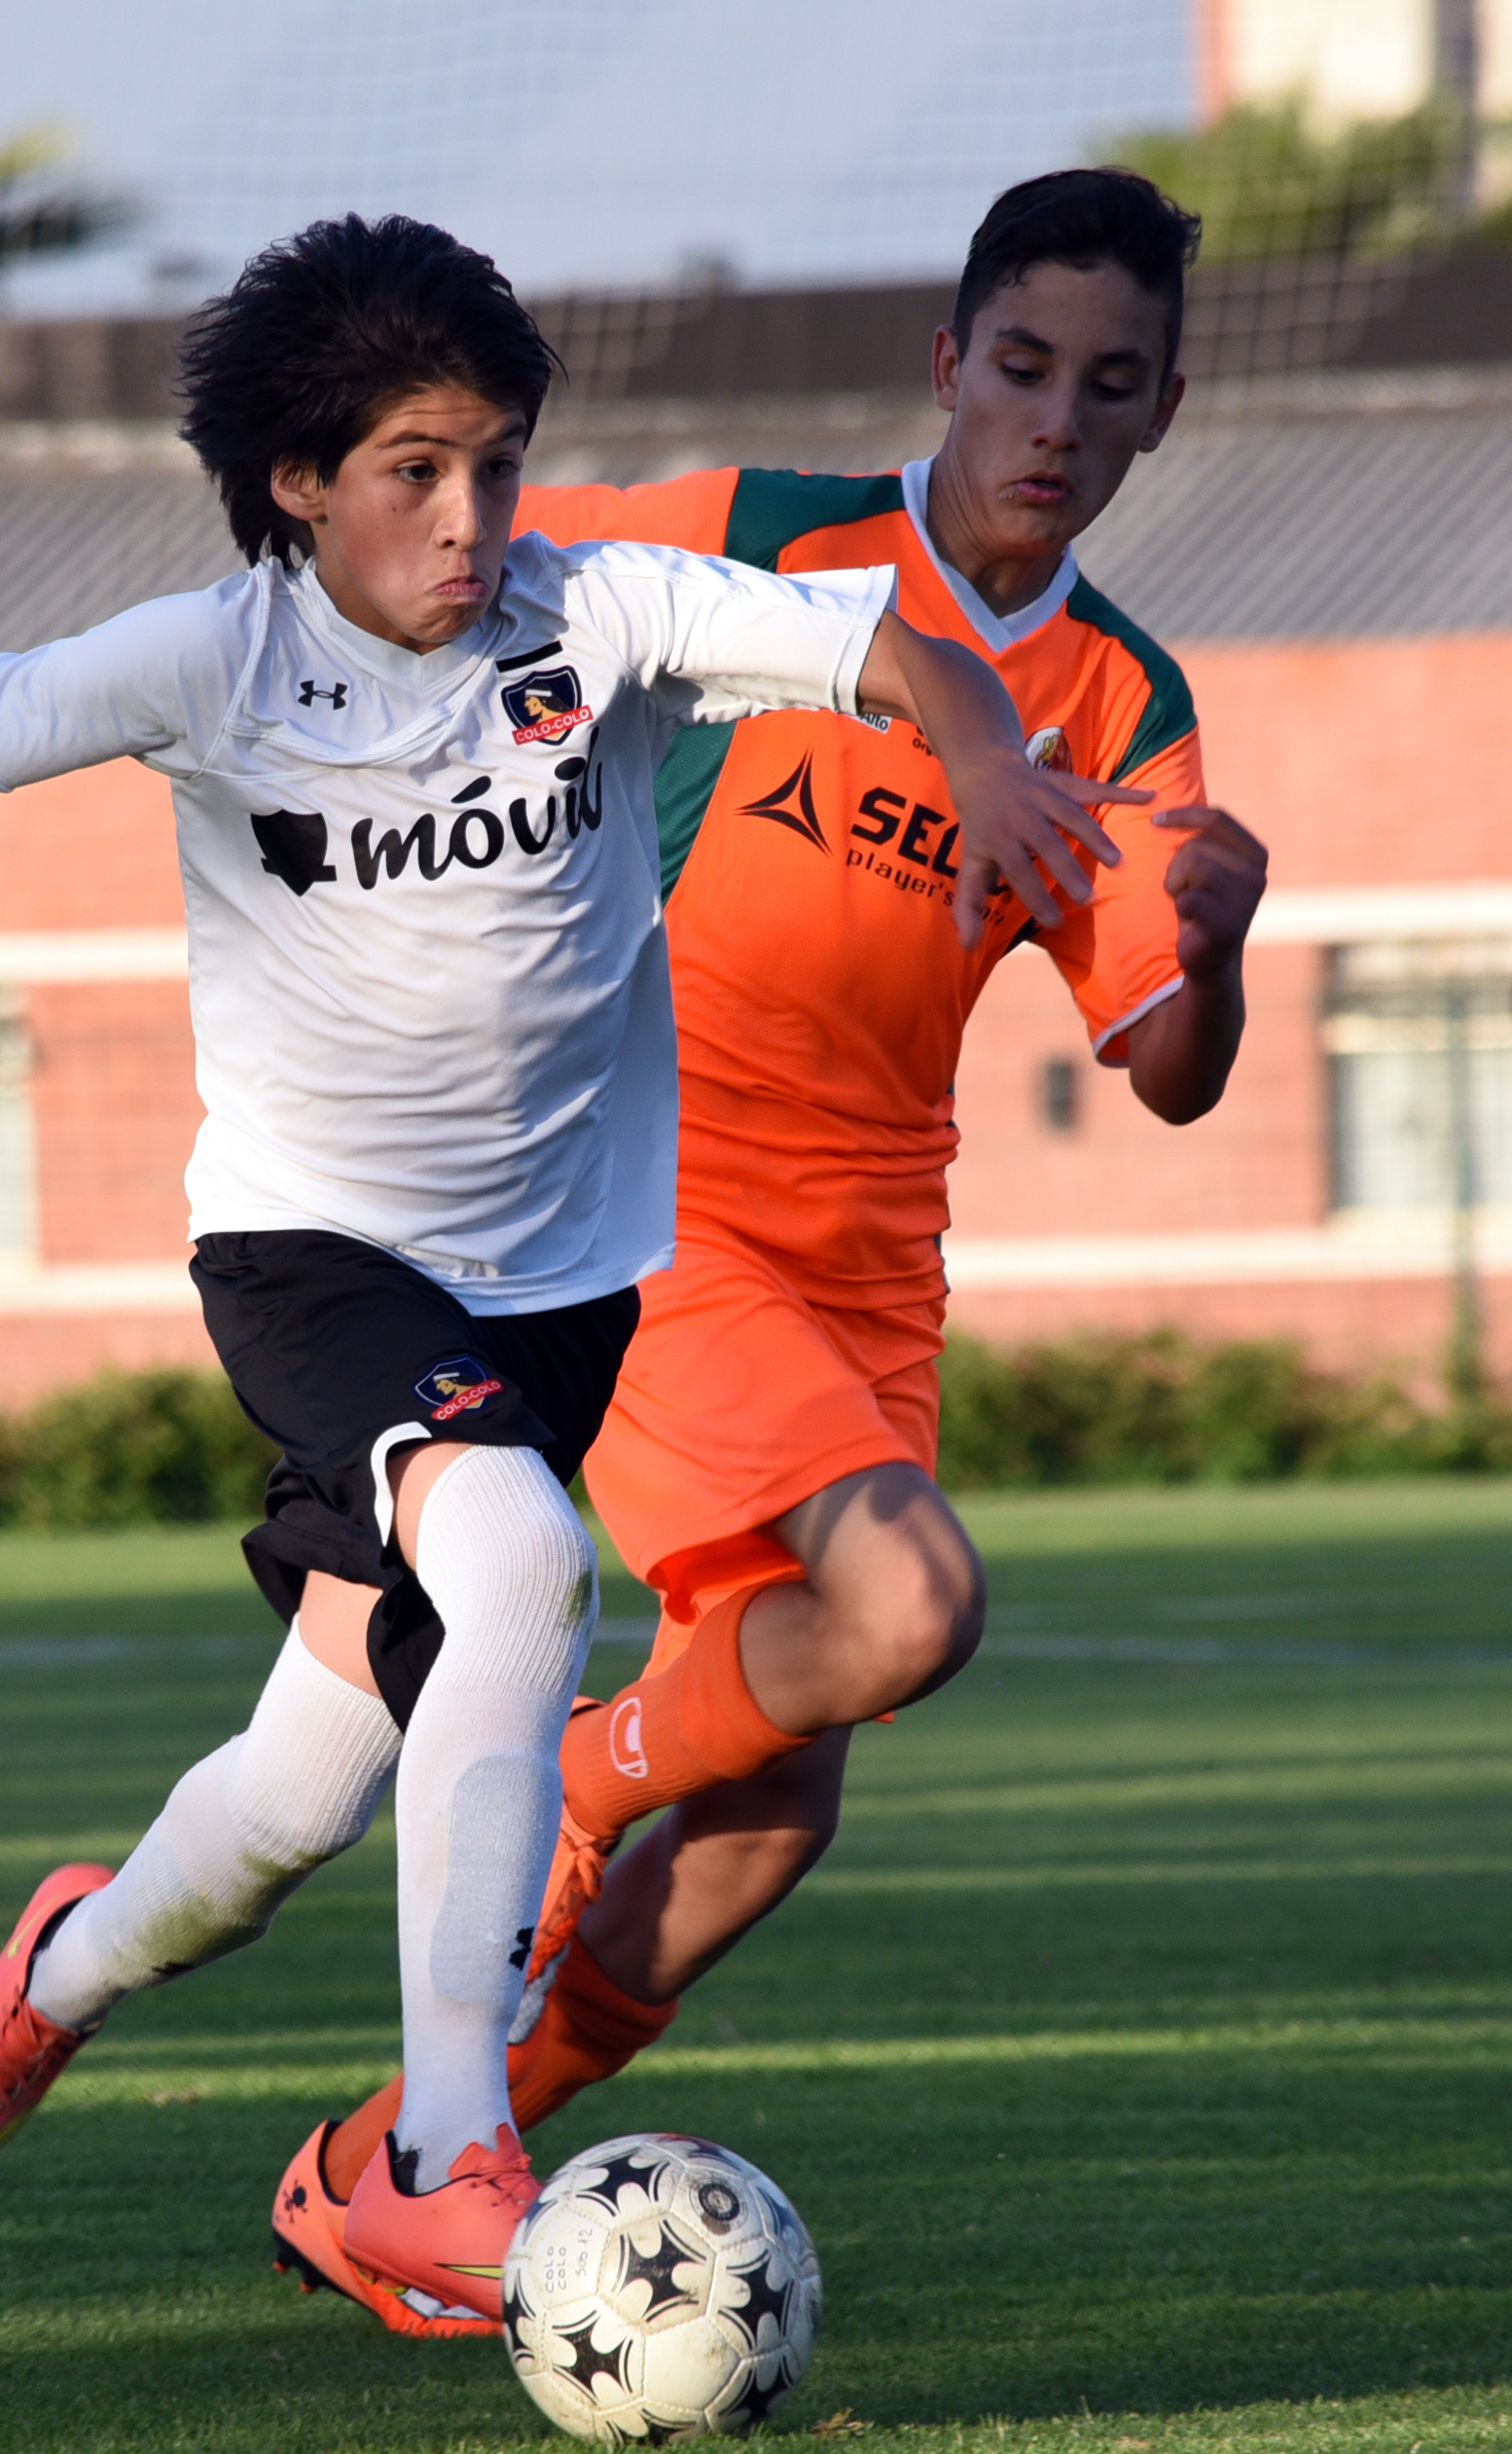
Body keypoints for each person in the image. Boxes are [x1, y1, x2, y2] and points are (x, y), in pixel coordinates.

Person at [0, 212, 1133, 2318]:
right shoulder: (207, 662)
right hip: (315, 1256)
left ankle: (69, 1959)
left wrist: (973, 753)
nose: (472, 514)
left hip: (558, 1284)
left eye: (495, 460)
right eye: (414, 468)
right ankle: (438, 2147)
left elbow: (898, 650)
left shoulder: (600, 612)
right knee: (511, 1560)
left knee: (300, 1791)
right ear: (303, 482)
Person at [268, 167, 1275, 2337]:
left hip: (866, 1270)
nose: (1051, 421)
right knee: (908, 1600)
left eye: (1107, 387)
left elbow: (1167, 1066)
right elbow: (456, 576)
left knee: (774, 1813)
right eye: (1018, 367)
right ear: (946, 362)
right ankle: (573, 1774)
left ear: (1159, 410)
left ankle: (391, 2173)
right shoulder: (762, 535)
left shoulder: (1124, 700)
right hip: (655, 1201)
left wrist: (1218, 930)